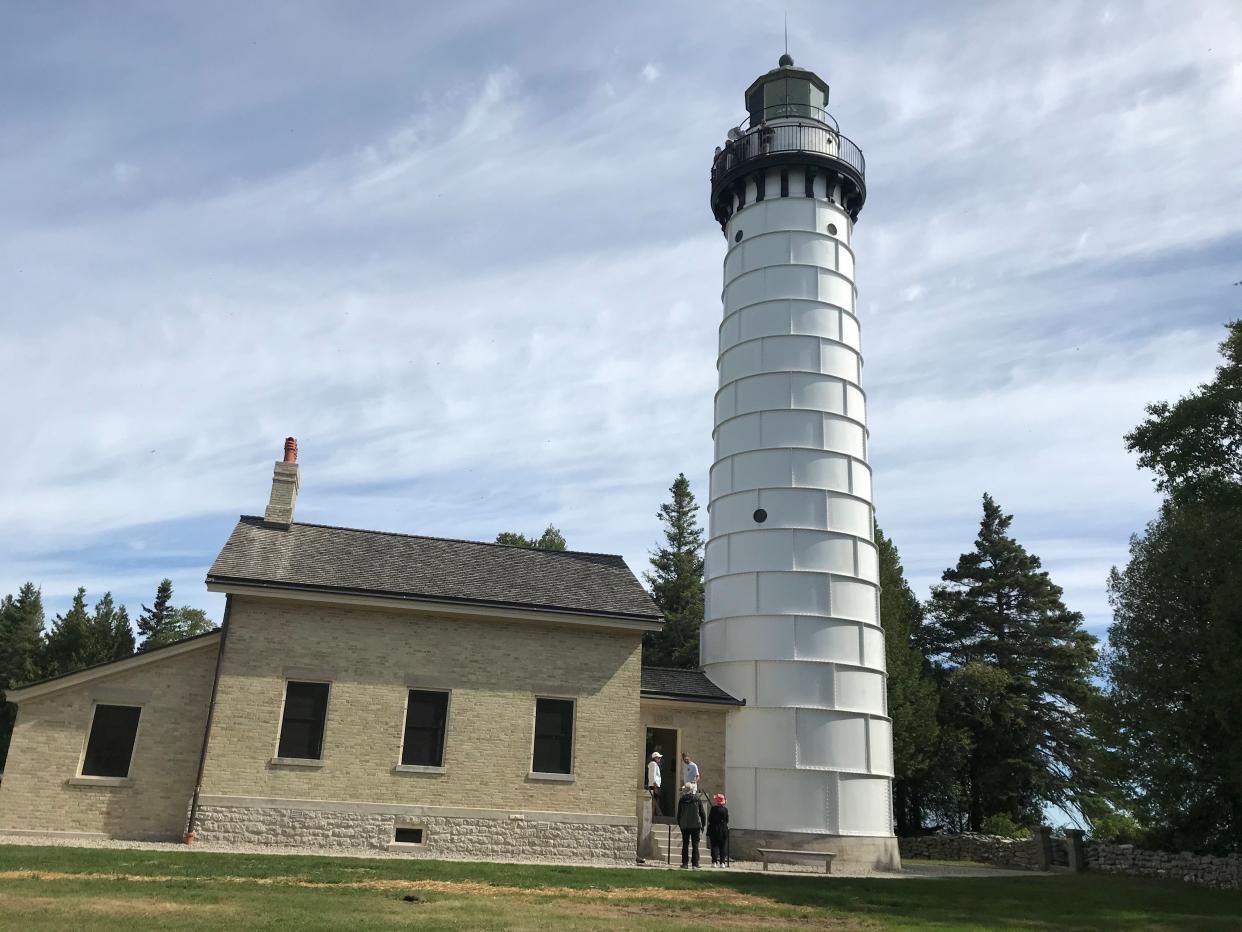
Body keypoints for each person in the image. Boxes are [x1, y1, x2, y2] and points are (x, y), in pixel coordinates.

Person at [676, 782, 706, 869]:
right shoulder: (696, 799)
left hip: (685, 825)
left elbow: (679, 814)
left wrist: (680, 824)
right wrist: (703, 825)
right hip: (695, 825)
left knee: (685, 844)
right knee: (695, 845)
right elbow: (702, 813)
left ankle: (685, 863)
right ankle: (695, 864)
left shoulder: (682, 800)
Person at [707, 793, 730, 867]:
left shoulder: (713, 809)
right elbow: (727, 820)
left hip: (714, 829)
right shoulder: (725, 810)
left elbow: (710, 819)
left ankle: (714, 862)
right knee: (722, 846)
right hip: (723, 829)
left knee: (714, 846)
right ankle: (722, 862)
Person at [646, 751, 663, 817]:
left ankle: (654, 816)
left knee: (655, 802)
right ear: (655, 758)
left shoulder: (653, 764)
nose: (659, 759)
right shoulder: (653, 764)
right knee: (654, 802)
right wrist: (655, 787)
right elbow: (653, 776)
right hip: (654, 786)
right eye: (658, 758)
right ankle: (653, 817)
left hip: (654, 785)